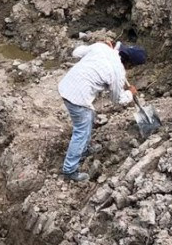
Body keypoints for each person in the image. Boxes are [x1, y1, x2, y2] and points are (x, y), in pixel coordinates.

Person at [58, 40, 146, 183]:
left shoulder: (101, 48)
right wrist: (130, 93)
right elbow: (118, 100)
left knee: (89, 117)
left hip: (67, 85)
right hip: (77, 97)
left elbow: (76, 52)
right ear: (129, 64)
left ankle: (84, 149)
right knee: (81, 131)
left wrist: (96, 45)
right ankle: (70, 170)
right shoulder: (118, 72)